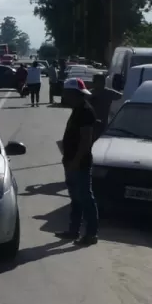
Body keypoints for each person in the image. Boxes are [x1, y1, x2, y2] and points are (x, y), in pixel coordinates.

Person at [58, 78, 99, 246]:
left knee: (85, 198)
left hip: (79, 163)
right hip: (71, 161)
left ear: (75, 94)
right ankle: (73, 230)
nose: (64, 96)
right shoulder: (77, 109)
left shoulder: (86, 112)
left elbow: (85, 141)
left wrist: (76, 161)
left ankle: (91, 234)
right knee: (75, 198)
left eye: (67, 93)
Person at [89, 72, 122, 139]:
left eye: (103, 81)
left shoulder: (107, 92)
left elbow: (120, 96)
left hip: (102, 122)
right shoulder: (91, 93)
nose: (103, 83)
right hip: (91, 123)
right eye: (100, 81)